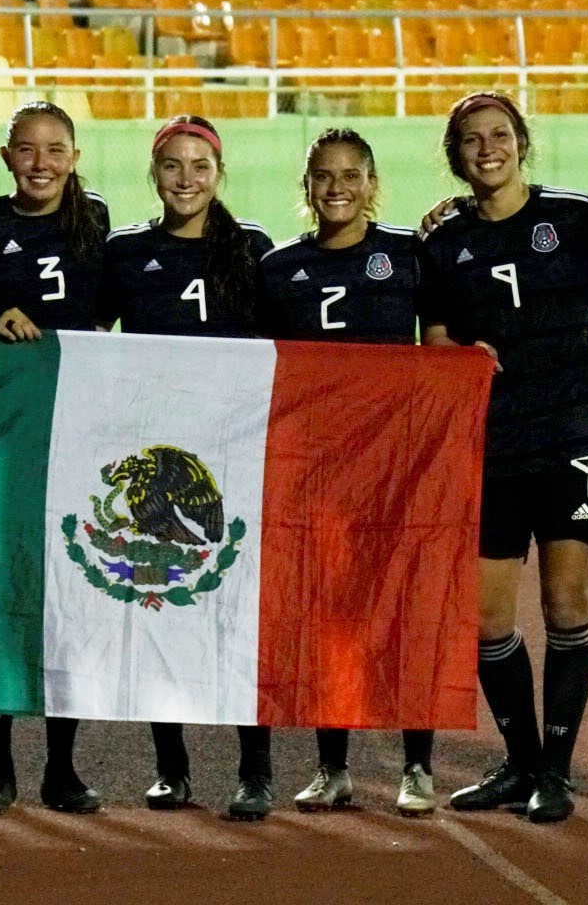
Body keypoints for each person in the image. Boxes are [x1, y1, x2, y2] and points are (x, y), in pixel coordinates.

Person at [414, 93, 588, 823]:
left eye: (499, 134)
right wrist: (457, 353)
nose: (487, 148)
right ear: (455, 155)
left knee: (566, 603)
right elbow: (432, 337)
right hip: (491, 444)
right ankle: (522, 761)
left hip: (573, 435)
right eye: (471, 140)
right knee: (486, 621)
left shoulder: (576, 216)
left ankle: (556, 773)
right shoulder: (438, 241)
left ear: (522, 142)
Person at [95, 114, 277, 820]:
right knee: (162, 606)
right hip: (161, 463)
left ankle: (254, 770)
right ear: (154, 172)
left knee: (237, 613)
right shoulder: (126, 251)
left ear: (219, 172)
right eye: (173, 164)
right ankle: (171, 767)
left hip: (236, 456)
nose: (187, 178)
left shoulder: (255, 248)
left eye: (200, 165)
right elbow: (87, 336)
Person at [255, 127, 441, 817]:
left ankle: (418, 765)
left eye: (350, 175)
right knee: (327, 617)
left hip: (397, 466)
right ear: (306, 189)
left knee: (402, 610)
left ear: (372, 184)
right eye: (323, 177)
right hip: (319, 472)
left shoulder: (409, 254)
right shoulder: (278, 268)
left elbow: (441, 346)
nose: (337, 188)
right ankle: (332, 766)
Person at [0, 100, 109, 814]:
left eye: (55, 150)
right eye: (27, 150)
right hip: (0, 440)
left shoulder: (98, 221)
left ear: (74, 157)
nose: (41, 163)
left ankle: (62, 768)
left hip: (79, 434)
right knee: (2, 597)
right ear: (7, 157)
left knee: (70, 596)